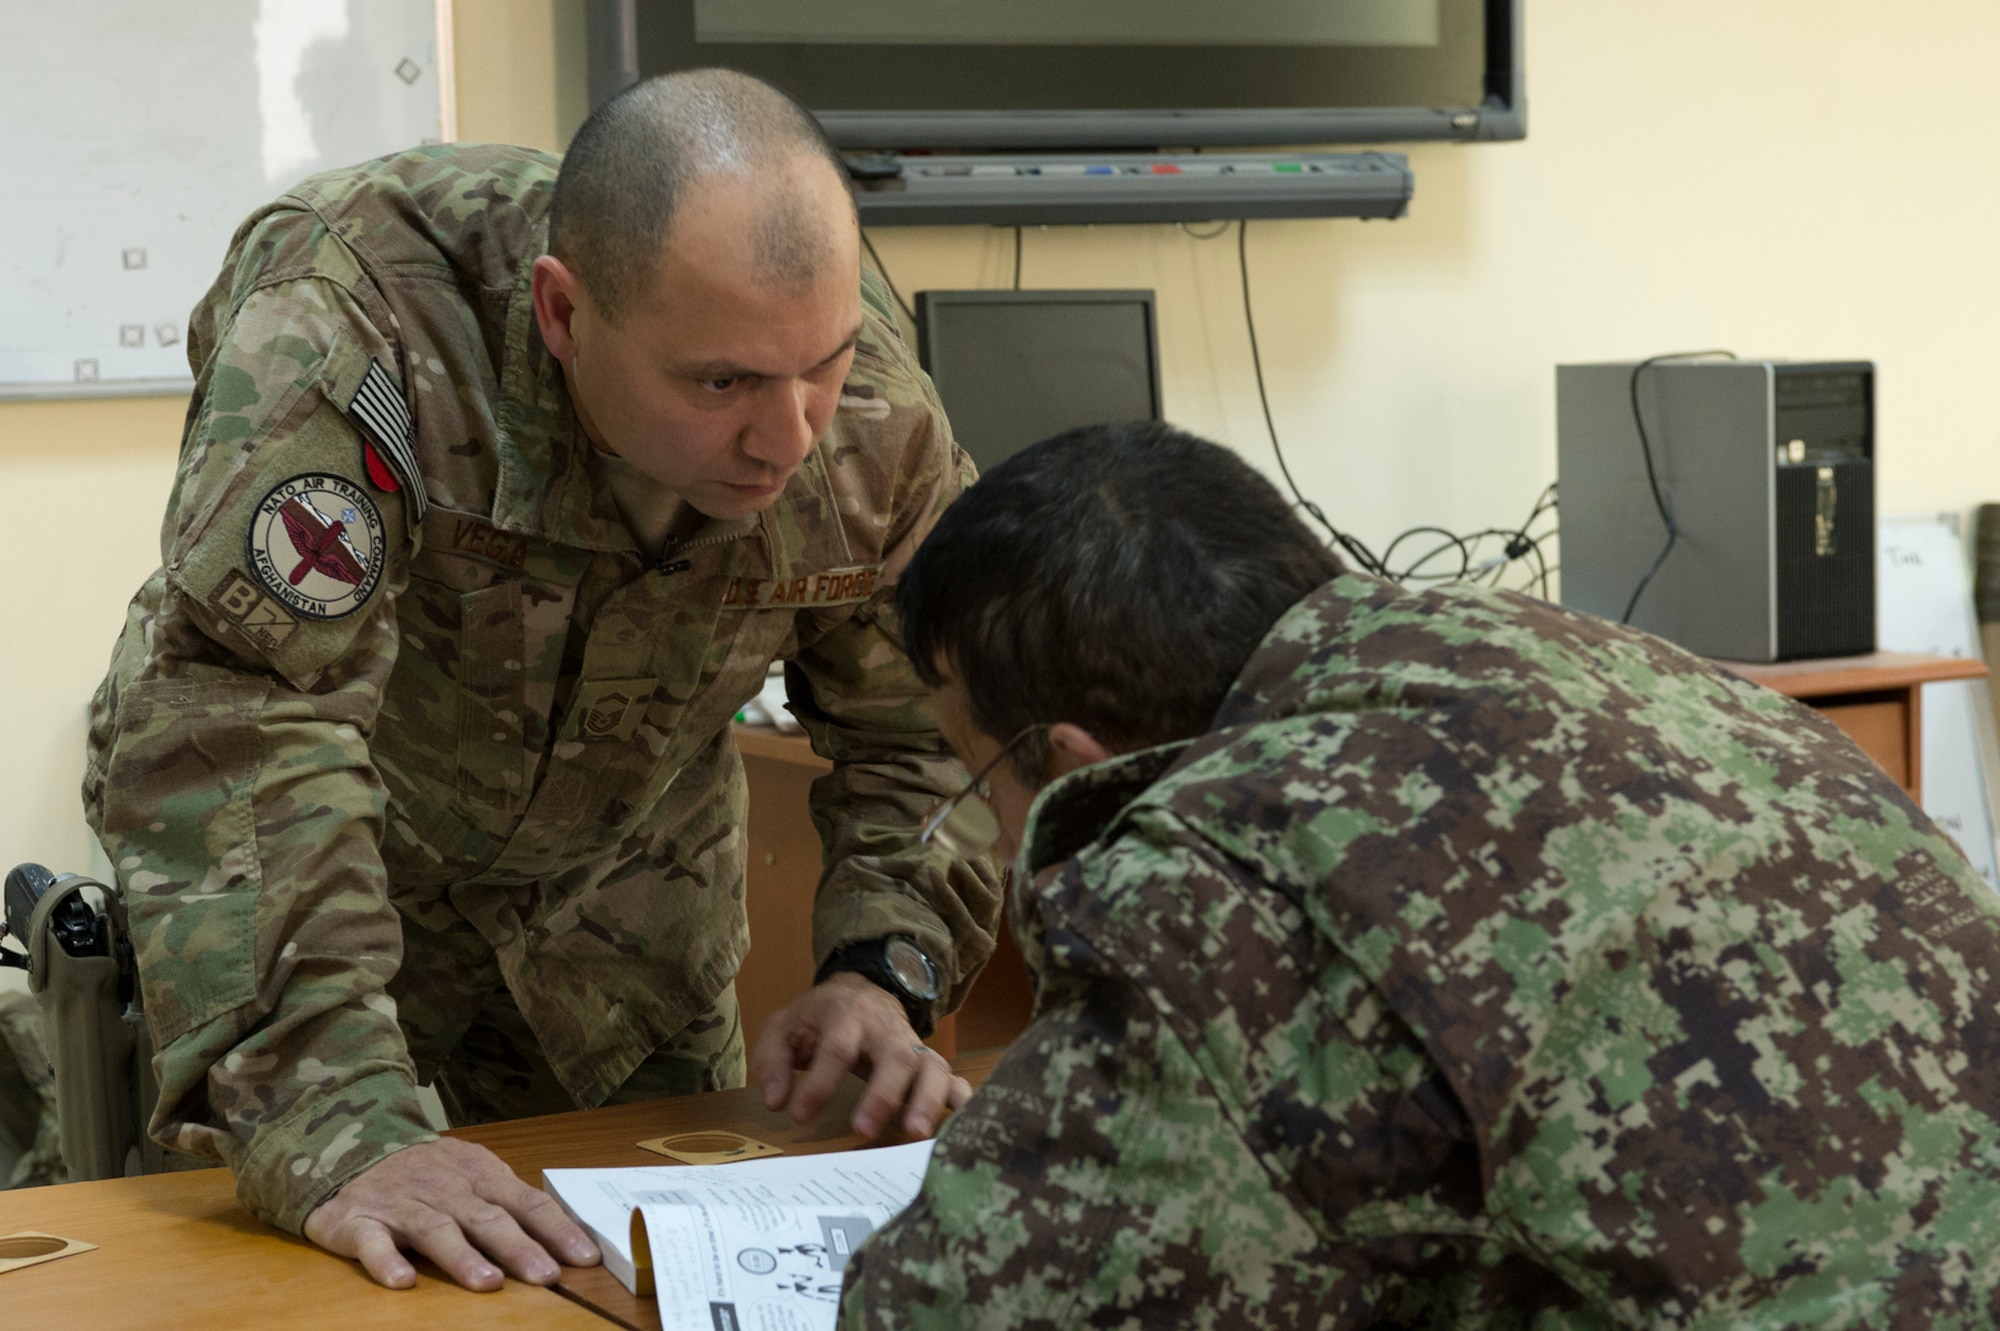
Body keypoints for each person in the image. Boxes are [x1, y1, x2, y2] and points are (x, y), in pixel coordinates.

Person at [82, 69, 1001, 1292]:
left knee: (628, 1283)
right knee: (287, 1284)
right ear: (563, 314)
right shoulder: (360, 320)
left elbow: (932, 724)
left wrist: (880, 968)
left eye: (818, 366)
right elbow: (243, 720)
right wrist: (329, 1111)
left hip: (622, 927)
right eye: (719, 383)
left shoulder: (870, 411)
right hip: (314, 909)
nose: (787, 436)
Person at [841, 420, 2000, 1327]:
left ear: (1069, 760)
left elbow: (955, 1308)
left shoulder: (1227, 861)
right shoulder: (1626, 669)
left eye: (974, 774)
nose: (994, 839)